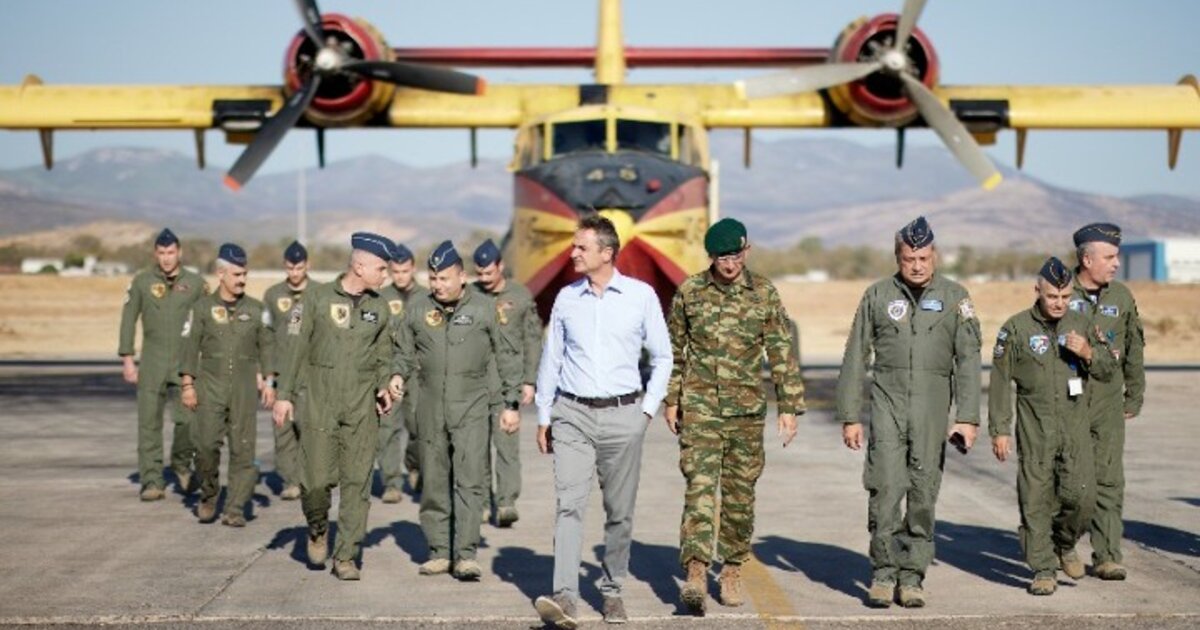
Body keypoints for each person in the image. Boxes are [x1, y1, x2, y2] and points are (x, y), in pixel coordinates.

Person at [834, 216, 982, 608]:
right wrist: (850, 415)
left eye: (923, 258)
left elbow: (968, 361)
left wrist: (968, 417)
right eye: (908, 259)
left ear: (935, 256)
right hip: (888, 406)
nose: (916, 266)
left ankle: (913, 575)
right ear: (897, 258)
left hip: (931, 412)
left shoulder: (955, 298)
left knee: (923, 494)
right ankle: (884, 573)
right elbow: (855, 356)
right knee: (884, 490)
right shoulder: (878, 295)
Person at [533, 215, 673, 628]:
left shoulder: (640, 297)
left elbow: (663, 356)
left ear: (606, 253)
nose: (573, 253)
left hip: (623, 416)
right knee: (569, 506)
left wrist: (646, 411)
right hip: (572, 415)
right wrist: (544, 414)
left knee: (619, 512)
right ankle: (565, 595)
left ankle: (612, 590)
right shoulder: (566, 299)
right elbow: (552, 359)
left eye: (581, 247)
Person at [664, 218, 806, 615]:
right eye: (722, 257)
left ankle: (731, 569)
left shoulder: (763, 292)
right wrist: (671, 399)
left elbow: (780, 350)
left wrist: (789, 406)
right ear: (711, 257)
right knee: (699, 488)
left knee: (740, 496)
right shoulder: (690, 292)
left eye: (736, 256)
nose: (730, 265)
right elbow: (673, 350)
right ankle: (696, 570)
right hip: (701, 409)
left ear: (747, 250)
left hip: (746, 413)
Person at [272, 232, 404, 581]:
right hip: (321, 405)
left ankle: (346, 556)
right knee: (315, 483)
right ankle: (317, 528)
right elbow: (295, 349)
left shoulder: (380, 308)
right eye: (381, 268)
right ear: (359, 266)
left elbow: (384, 356)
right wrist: (284, 394)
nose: (386, 275)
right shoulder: (315, 299)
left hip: (361, 409)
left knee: (357, 484)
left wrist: (385, 384)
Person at [393, 241, 522, 581]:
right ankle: (438, 550)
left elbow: (507, 355)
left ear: (462, 277)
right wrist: (396, 375)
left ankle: (465, 554)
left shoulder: (484, 309)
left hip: (472, 406)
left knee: (469, 480)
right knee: (434, 480)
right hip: (430, 405)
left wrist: (511, 403)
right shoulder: (418, 308)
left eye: (444, 278)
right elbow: (402, 351)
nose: (438, 285)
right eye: (433, 278)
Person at [988, 257, 1116, 595]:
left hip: (1074, 426)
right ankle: (1043, 568)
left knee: (1083, 498)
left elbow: (1107, 370)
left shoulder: (1082, 323)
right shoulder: (1015, 329)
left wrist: (1088, 353)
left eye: (1065, 297)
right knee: (1035, 500)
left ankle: (1064, 543)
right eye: (1052, 296)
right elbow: (1000, 381)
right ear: (1038, 291)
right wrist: (1000, 429)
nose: (1059, 303)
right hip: (1035, 427)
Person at [1069, 222, 1146, 581]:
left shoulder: (1121, 297)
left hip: (1108, 401)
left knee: (1110, 480)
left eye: (1117, 256)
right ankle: (1062, 544)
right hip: (1069, 401)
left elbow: (1133, 348)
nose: (1116, 263)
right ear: (1087, 259)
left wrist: (1135, 393)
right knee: (1068, 480)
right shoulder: (1059, 292)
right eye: (1110, 257)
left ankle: (1107, 555)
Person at [180, 243, 275, 527]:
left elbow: (268, 346)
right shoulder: (201, 309)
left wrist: (269, 381)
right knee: (205, 445)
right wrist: (187, 385)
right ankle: (209, 493)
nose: (242, 280)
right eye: (237, 274)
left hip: (244, 390)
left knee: (243, 450)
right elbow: (189, 347)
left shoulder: (257, 310)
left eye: (245, 274)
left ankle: (235, 508)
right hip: (210, 387)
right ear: (220, 274)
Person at [118, 228, 206, 501]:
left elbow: (207, 324)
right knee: (148, 425)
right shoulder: (142, 282)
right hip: (152, 363)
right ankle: (152, 481)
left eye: (171, 252)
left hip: (185, 364)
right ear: (155, 254)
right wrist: (128, 359)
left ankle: (181, 463)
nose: (166, 258)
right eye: (161, 253)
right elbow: (128, 319)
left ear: (179, 252)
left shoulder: (196, 283)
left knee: (188, 422)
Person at [471, 238, 543, 527]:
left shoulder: (520, 296)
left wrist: (530, 380)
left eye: (489, 272)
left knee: (506, 445)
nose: (484, 279)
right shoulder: (470, 295)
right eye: (479, 273)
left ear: (500, 266)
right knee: (476, 449)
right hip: (475, 383)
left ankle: (506, 502)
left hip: (507, 382)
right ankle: (481, 502)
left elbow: (532, 340)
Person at [262, 240, 311, 501]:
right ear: (285, 266)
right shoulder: (272, 295)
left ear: (307, 265)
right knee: (283, 431)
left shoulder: (319, 293)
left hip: (309, 374)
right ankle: (291, 481)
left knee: (308, 428)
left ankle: (309, 479)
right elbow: (266, 337)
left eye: (299, 267)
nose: (295, 273)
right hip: (281, 373)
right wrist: (267, 377)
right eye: (290, 268)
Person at [376, 241, 419, 504]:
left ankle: (414, 465)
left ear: (413, 269)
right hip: (391, 371)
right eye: (396, 272)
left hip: (419, 372)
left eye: (405, 271)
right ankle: (392, 482)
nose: (400, 276)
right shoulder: (381, 298)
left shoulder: (427, 296)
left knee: (419, 427)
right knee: (387, 429)